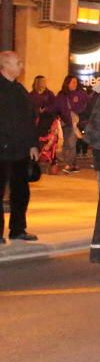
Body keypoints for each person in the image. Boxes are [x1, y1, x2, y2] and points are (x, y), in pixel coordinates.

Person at [0, 51, 40, 243]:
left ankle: (18, 229)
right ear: (5, 65)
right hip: (2, 149)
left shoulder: (20, 89)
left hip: (21, 150)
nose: (21, 66)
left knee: (21, 192)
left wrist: (33, 144)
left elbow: (29, 120)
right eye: (18, 63)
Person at [54, 75, 89, 173]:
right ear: (67, 83)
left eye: (76, 82)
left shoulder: (81, 94)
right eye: (73, 82)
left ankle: (69, 164)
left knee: (71, 143)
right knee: (66, 144)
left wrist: (81, 117)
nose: (75, 84)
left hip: (75, 123)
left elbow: (87, 107)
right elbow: (56, 108)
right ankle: (72, 164)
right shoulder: (61, 95)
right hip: (65, 122)